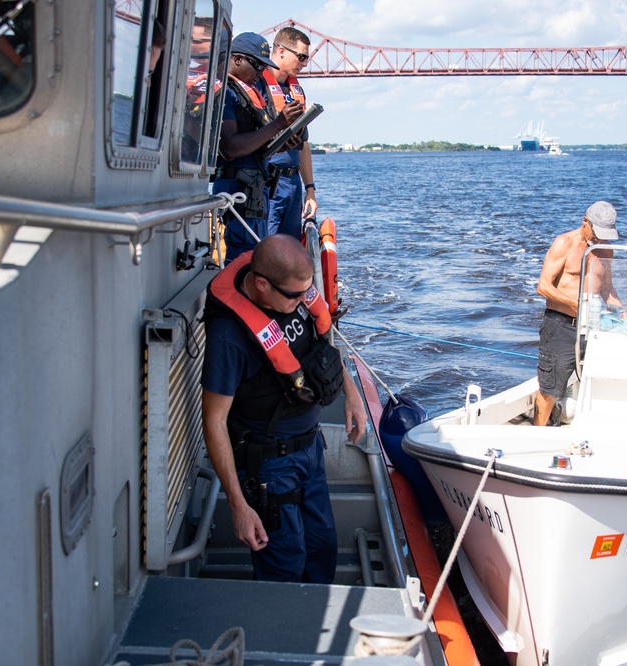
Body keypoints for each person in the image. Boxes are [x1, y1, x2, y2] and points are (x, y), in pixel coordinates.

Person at [201, 234, 367, 583]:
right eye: (295, 295)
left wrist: (350, 393)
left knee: (323, 551)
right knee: (284, 569)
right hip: (272, 469)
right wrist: (237, 504)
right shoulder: (228, 336)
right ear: (262, 284)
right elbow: (214, 422)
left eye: (307, 292)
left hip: (311, 451)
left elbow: (321, 346)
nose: (303, 300)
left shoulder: (294, 296)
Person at [214, 32, 303, 263]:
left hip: (254, 192)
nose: (260, 73)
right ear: (237, 59)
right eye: (257, 65)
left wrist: (283, 144)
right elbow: (230, 148)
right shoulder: (225, 94)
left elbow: (254, 145)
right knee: (243, 260)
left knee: (254, 257)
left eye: (264, 66)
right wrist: (278, 124)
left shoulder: (245, 94)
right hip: (239, 191)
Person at [534, 201, 626, 426]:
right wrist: (576, 305)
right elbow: (543, 286)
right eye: (597, 232)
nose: (600, 239)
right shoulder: (564, 243)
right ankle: (536, 433)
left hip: (593, 325)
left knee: (597, 381)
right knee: (549, 389)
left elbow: (607, 289)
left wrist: (625, 317)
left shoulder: (604, 248)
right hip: (560, 325)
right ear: (585, 222)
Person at [259, 27, 318, 238]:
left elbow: (303, 144)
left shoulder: (295, 91)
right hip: (268, 183)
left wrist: (309, 189)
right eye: (301, 57)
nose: (304, 63)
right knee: (266, 249)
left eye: (307, 58)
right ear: (281, 51)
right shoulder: (258, 85)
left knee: (289, 251)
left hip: (293, 184)